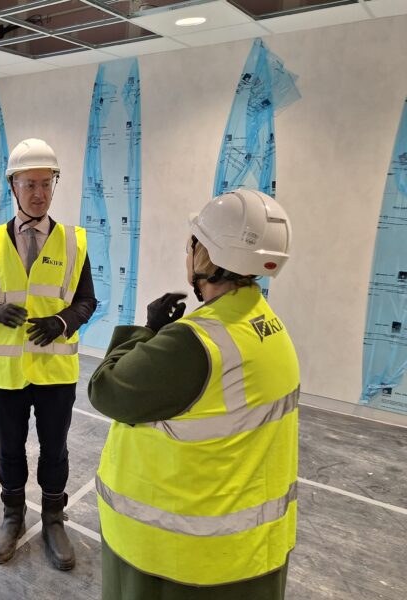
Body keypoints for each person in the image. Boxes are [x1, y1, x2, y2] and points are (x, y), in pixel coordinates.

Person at [89, 189, 299, 599]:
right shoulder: (265, 321)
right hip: (253, 552)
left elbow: (105, 389)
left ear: (204, 254)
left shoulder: (194, 344)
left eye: (193, 243)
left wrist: (148, 331)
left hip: (180, 563)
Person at [0, 138, 96, 570]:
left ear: (54, 185)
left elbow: (86, 302)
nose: (38, 193)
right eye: (29, 184)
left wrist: (62, 323)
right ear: (13, 186)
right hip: (4, 373)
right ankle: (12, 516)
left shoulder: (74, 241)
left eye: (46, 183)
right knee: (9, 449)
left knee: (54, 449)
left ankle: (54, 520)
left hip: (56, 371)